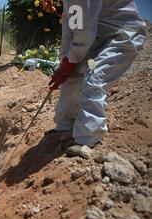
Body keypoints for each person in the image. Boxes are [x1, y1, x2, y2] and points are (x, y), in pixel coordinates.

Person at [48, 0, 146, 158]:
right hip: (97, 38)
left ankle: (88, 138)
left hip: (121, 35)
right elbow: (70, 32)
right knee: (73, 75)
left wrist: (71, 59)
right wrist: (65, 63)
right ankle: (65, 127)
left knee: (94, 78)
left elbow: (83, 33)